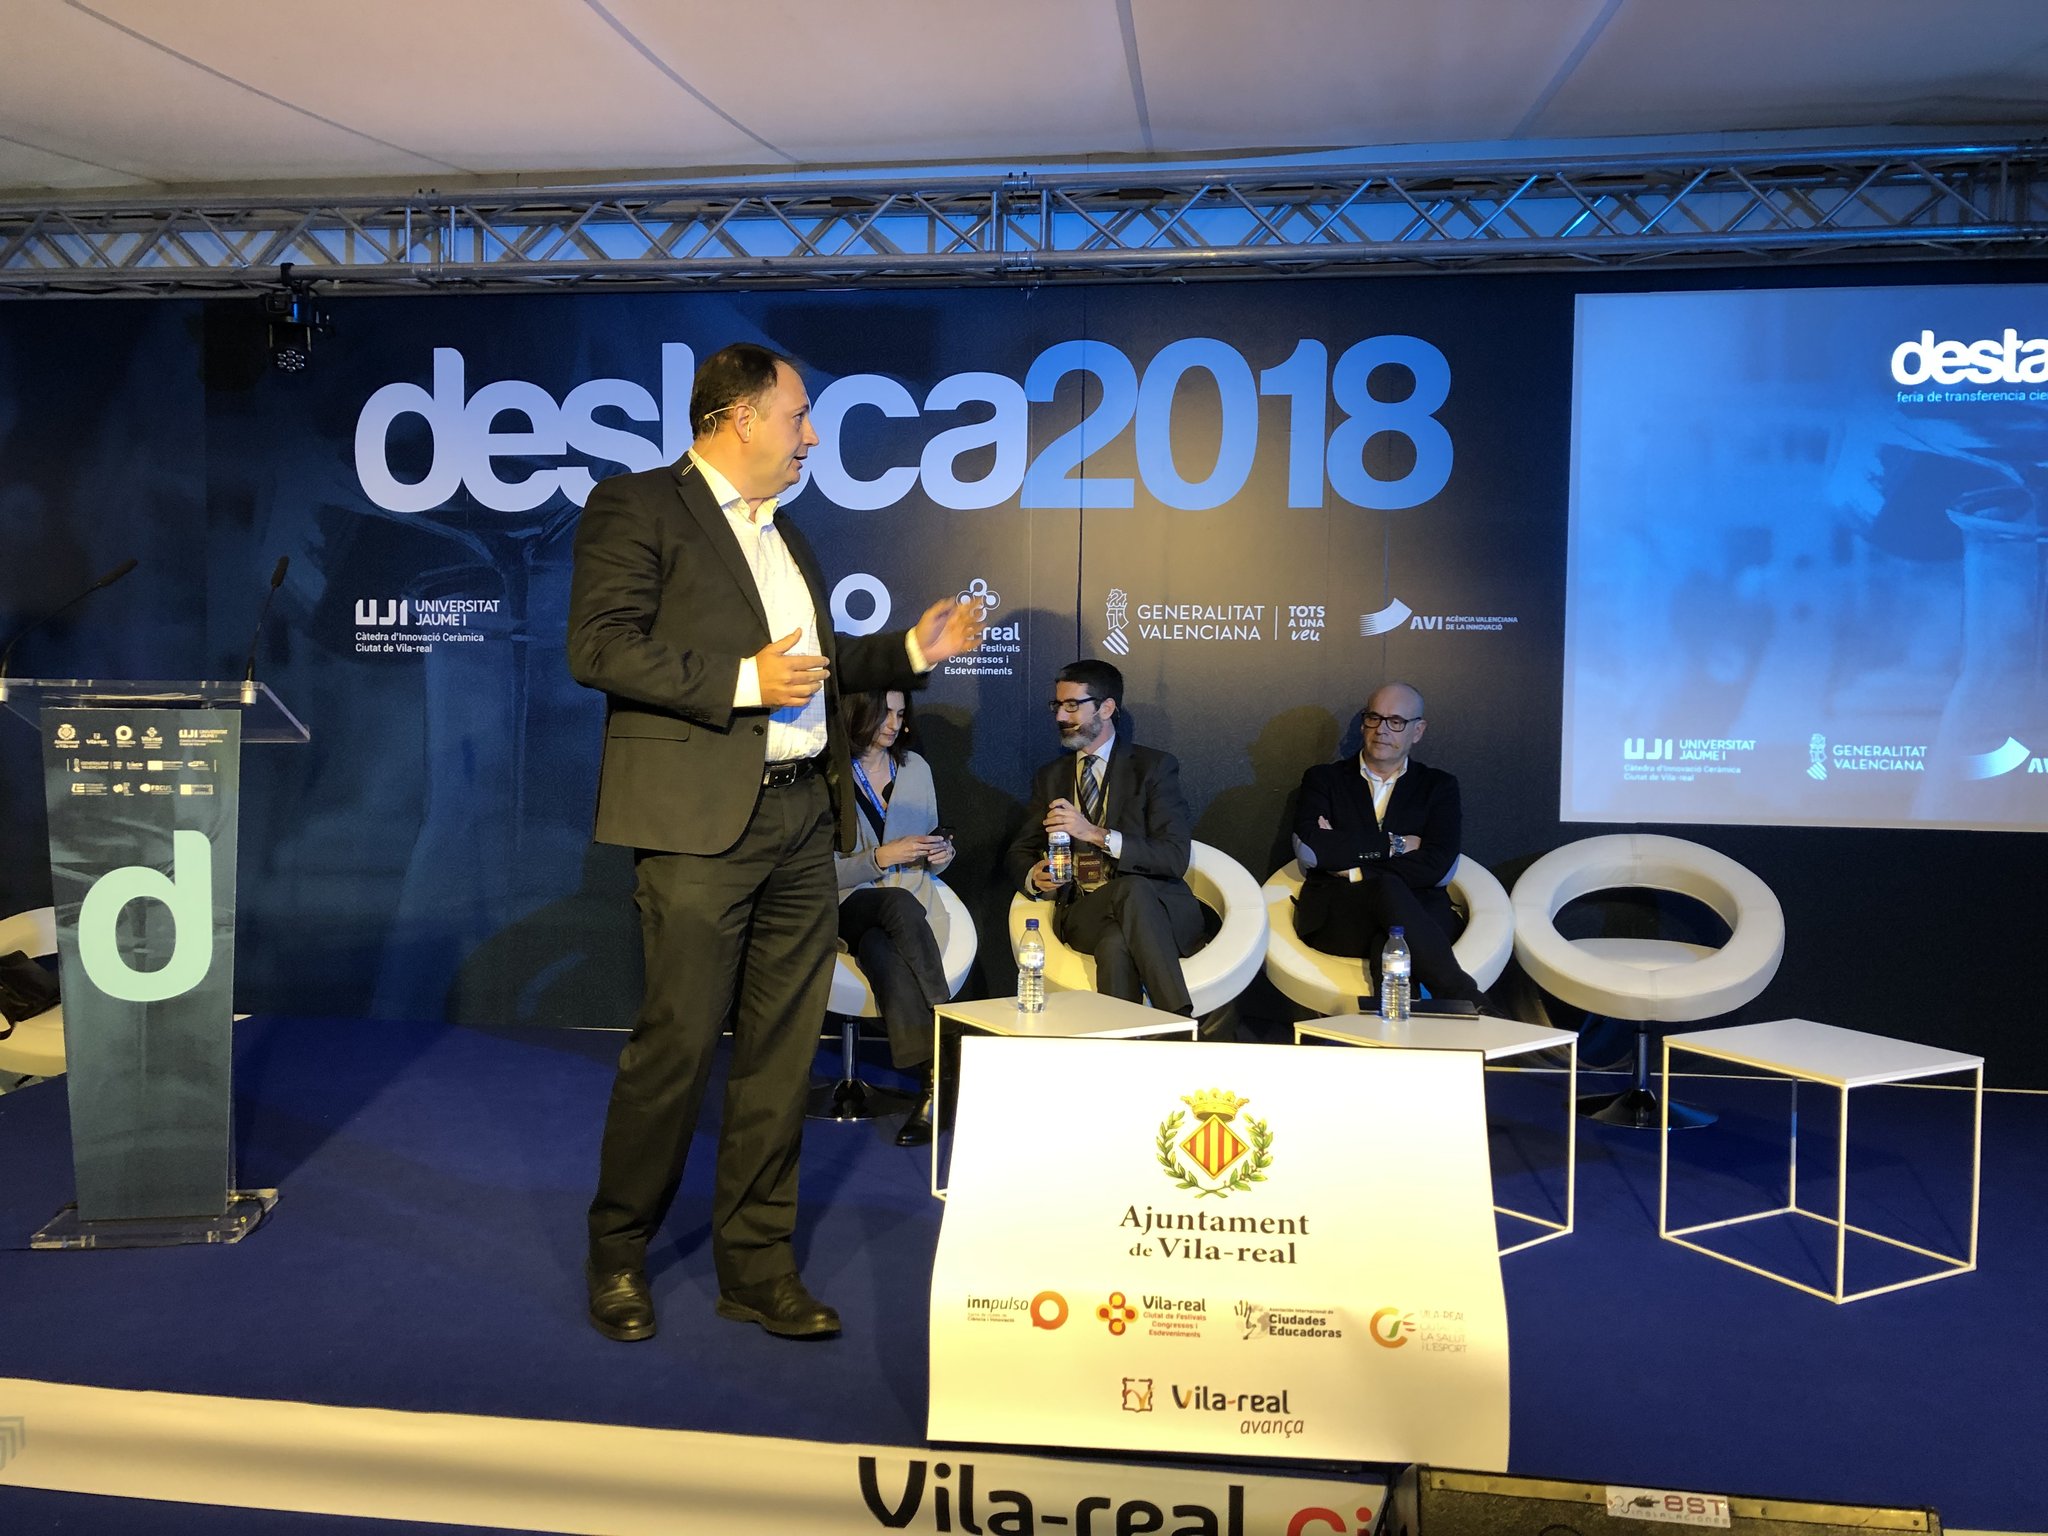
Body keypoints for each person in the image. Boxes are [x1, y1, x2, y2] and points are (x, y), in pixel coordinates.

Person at [567, 341, 982, 1345]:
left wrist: (911, 650)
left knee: (781, 1056)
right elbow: (601, 646)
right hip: (698, 826)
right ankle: (618, 1254)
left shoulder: (785, 531)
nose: (811, 437)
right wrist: (743, 681)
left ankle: (757, 1269)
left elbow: (818, 667)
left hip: (801, 823)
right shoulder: (636, 506)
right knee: (676, 1048)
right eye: (797, 416)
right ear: (739, 418)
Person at [1003, 660, 1201, 1016]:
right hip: (1086, 912)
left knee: (1116, 940)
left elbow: (1173, 857)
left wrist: (1094, 834)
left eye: (1072, 706)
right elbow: (1020, 850)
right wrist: (1035, 875)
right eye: (1057, 706)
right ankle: (1179, 1021)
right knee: (1125, 902)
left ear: (1106, 708)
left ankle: (1123, 1042)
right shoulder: (1051, 777)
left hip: (1155, 911)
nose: (1060, 717)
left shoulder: (1153, 768)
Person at [1290, 681, 1486, 1008]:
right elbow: (1313, 849)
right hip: (1340, 916)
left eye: (1396, 721)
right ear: (1364, 723)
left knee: (1391, 930)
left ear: (1417, 731)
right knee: (1391, 904)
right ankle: (1465, 998)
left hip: (1417, 912)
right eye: (1374, 718)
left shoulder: (1438, 786)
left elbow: (1438, 863)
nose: (1382, 729)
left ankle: (1392, 1029)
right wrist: (1396, 845)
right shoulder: (1324, 779)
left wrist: (1353, 867)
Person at [835, 688, 955, 1148]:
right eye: (884, 713)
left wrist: (941, 854)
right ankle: (948, 1023)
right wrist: (881, 857)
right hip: (849, 903)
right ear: (858, 712)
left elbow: (930, 849)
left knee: (882, 951)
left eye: (901, 714)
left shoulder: (916, 768)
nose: (894, 724)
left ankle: (933, 1086)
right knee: (896, 904)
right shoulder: (828, 774)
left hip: (906, 916)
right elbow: (811, 869)